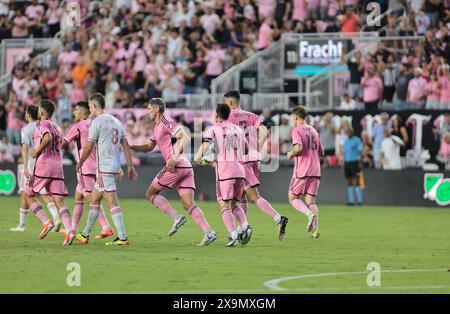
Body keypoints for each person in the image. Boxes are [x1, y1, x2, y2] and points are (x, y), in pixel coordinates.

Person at [131, 98, 217, 246]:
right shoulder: (157, 127)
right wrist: (132, 146)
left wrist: (173, 158)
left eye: (149, 108)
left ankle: (177, 217)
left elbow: (185, 137)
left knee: (150, 194)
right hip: (186, 167)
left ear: (157, 109)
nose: (148, 111)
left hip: (176, 166)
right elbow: (150, 146)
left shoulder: (166, 121)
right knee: (188, 203)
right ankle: (209, 232)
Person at [224, 90, 288, 241]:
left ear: (231, 102)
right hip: (254, 159)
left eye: (226, 102)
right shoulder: (252, 115)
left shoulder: (228, 116)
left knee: (250, 197)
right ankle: (242, 229)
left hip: (241, 160)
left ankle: (278, 219)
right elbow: (265, 132)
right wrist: (255, 146)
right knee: (242, 197)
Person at [75, 93, 137, 246]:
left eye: (90, 107)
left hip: (104, 168)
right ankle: (84, 235)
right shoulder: (117, 121)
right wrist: (130, 166)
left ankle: (123, 238)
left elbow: (88, 147)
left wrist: (81, 162)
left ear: (94, 106)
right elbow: (125, 145)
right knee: (94, 200)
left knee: (112, 202)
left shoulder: (97, 122)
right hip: (114, 167)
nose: (89, 110)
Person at [195, 103, 250, 247]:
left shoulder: (213, 129)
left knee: (223, 204)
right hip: (240, 171)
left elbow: (205, 144)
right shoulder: (238, 129)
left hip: (225, 172)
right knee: (234, 204)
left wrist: (197, 157)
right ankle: (245, 226)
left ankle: (234, 236)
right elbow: (245, 149)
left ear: (217, 115)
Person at [23, 100, 75, 245]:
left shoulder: (43, 123)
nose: (38, 111)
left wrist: (36, 151)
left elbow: (47, 138)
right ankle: (70, 230)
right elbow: (60, 143)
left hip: (44, 165)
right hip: (58, 166)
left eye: (39, 109)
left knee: (28, 195)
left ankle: (46, 222)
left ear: (43, 112)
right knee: (59, 200)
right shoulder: (57, 126)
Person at [61, 101, 114, 238]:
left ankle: (106, 227)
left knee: (92, 199)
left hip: (85, 167)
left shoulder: (78, 126)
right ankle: (72, 228)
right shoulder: (96, 124)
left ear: (84, 112)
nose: (74, 112)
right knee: (78, 196)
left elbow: (63, 143)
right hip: (97, 166)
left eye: (76, 110)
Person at [10, 105, 61, 232]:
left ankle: (23, 224)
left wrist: (26, 167)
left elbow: (25, 148)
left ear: (28, 114)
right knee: (44, 194)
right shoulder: (44, 125)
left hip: (33, 166)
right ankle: (55, 217)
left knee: (26, 194)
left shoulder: (26, 129)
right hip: (47, 164)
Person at [287, 105, 322, 239]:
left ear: (295, 117)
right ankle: (316, 230)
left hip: (302, 170)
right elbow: (321, 151)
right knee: (311, 201)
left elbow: (298, 148)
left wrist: (291, 153)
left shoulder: (297, 130)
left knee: (293, 197)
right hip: (316, 170)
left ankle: (309, 215)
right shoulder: (314, 131)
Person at [342, 128, 363, 206]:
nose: (348, 133)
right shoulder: (346, 142)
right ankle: (351, 201)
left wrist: (360, 162)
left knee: (357, 181)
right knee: (349, 182)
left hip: (355, 162)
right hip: (347, 163)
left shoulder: (357, 140)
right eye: (347, 132)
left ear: (352, 132)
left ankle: (360, 201)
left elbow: (360, 151)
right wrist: (343, 163)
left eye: (349, 131)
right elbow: (345, 153)